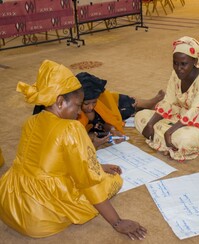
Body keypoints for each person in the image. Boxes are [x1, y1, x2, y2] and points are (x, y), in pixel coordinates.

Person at [0, 60, 147, 239]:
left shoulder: (31, 121)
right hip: (38, 216)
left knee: (90, 173)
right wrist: (117, 222)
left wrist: (98, 166)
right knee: (113, 180)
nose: (79, 112)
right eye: (77, 106)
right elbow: (88, 182)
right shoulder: (71, 128)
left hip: (9, 200)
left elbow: (51, 162)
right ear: (60, 102)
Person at [134, 36, 199, 161]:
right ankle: (169, 145)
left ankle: (165, 141)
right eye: (175, 63)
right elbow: (168, 101)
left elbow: (196, 111)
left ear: (194, 62)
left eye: (183, 64)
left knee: (184, 138)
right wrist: (150, 124)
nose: (178, 68)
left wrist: (169, 132)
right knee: (140, 116)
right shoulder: (175, 75)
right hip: (179, 116)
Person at [75, 72, 165, 149]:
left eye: (94, 102)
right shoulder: (73, 113)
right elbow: (77, 139)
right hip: (92, 128)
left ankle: (148, 103)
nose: (90, 107)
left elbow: (105, 122)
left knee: (128, 103)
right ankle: (144, 106)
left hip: (111, 104)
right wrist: (93, 141)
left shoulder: (100, 101)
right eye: (86, 104)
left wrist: (112, 129)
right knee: (125, 111)